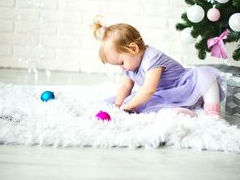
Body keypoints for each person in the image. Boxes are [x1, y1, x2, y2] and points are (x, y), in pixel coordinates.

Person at [92, 21, 225, 117]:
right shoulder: (130, 67)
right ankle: (174, 112)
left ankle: (212, 110)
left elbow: (149, 89)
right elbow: (125, 87)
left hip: (187, 86)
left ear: (133, 49)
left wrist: (131, 105)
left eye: (121, 62)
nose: (122, 68)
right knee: (144, 104)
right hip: (167, 94)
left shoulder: (152, 58)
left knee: (205, 75)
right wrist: (118, 104)